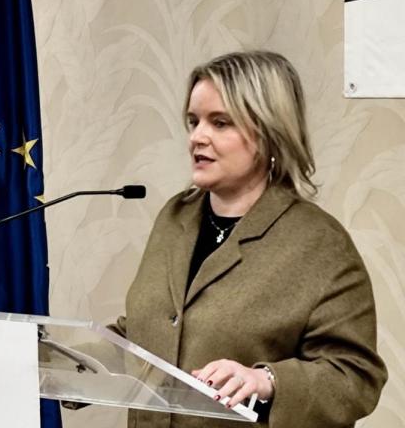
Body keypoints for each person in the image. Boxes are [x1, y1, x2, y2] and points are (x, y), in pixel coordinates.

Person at [111, 51, 387, 427]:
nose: (197, 137)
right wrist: (56, 356)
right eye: (193, 121)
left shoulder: (320, 243)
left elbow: (356, 377)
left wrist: (266, 381)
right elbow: (148, 329)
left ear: (270, 133)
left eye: (220, 123)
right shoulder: (174, 217)